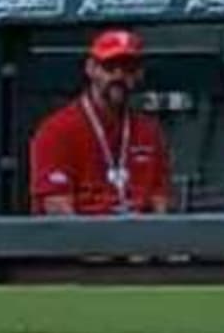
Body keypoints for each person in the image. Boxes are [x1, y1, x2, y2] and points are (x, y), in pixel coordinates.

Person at [28, 30, 171, 216]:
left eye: (129, 68)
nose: (119, 76)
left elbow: (159, 198)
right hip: (85, 238)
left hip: (140, 236)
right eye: (110, 67)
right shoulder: (57, 129)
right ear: (91, 69)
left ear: (139, 74)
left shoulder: (149, 131)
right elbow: (56, 206)